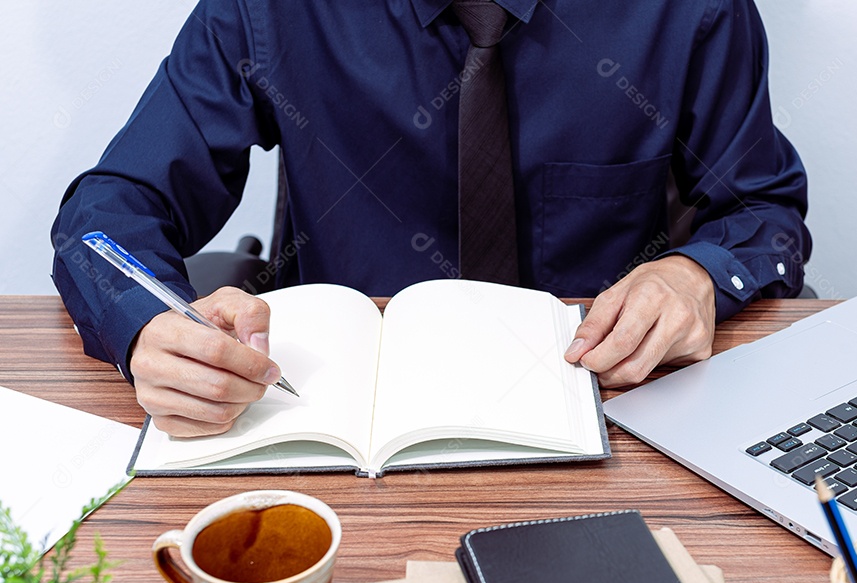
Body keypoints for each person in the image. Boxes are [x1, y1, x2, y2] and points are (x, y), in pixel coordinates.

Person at [52, 0, 811, 438]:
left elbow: (765, 210)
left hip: (608, 417)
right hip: (328, 429)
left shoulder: (689, 9)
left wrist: (695, 275)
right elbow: (105, 218)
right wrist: (146, 326)